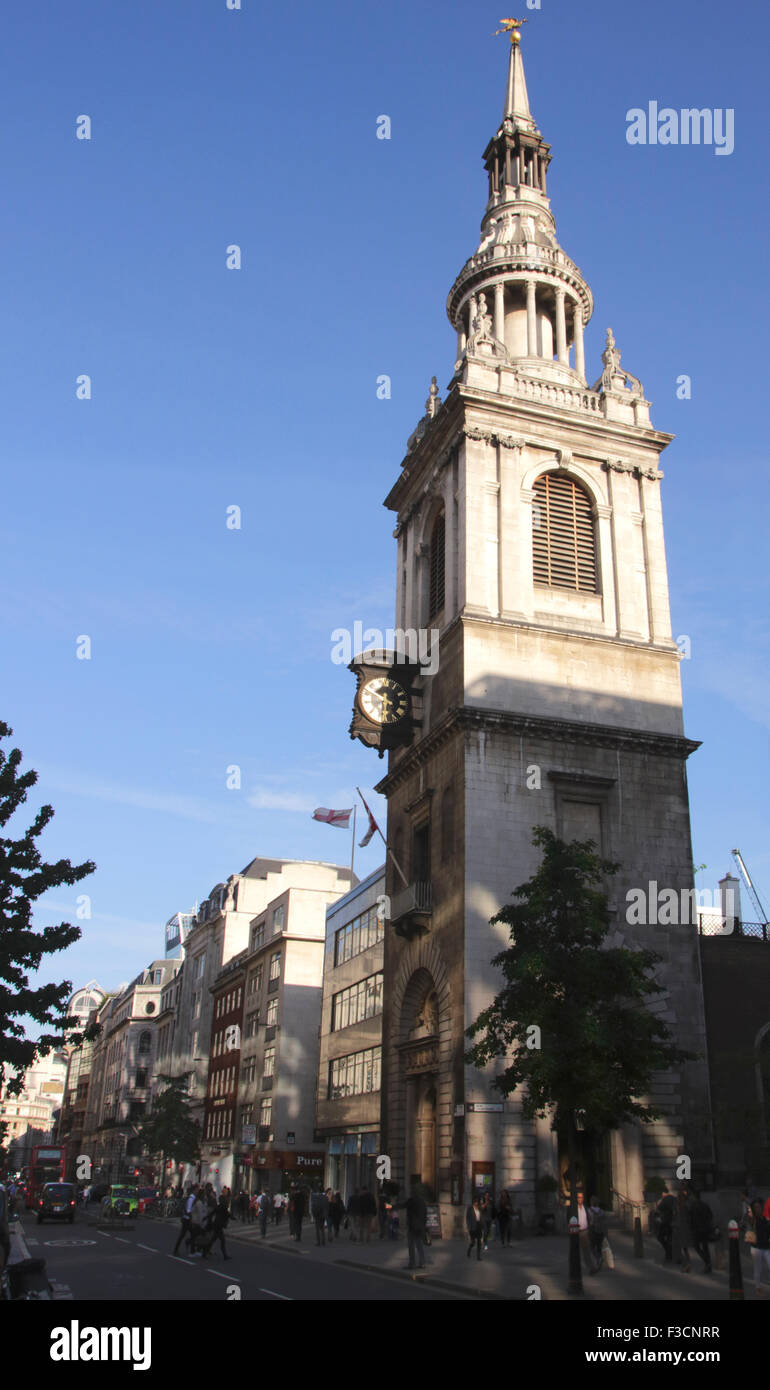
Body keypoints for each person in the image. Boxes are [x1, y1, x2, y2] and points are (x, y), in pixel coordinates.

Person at [747, 1199, 770, 1296]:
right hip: (756, 1248)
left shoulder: (765, 1219)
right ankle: (758, 1288)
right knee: (758, 1268)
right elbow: (749, 1214)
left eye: (759, 1207)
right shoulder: (753, 1219)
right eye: (756, 1207)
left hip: (766, 1247)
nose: (758, 1209)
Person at [688, 1190, 713, 1273]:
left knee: (696, 1246)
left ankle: (707, 1262)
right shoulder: (705, 1205)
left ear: (694, 1196)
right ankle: (708, 1264)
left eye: (691, 1196)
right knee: (705, 1247)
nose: (690, 1197)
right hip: (705, 1229)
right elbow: (710, 1216)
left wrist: (691, 1228)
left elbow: (691, 1219)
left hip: (697, 1230)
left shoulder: (693, 1206)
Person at [405, 1185, 427, 1270]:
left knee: (411, 1245)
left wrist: (390, 1206)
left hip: (412, 1226)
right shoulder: (422, 1201)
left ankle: (412, 1263)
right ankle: (422, 1263)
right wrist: (423, 1225)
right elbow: (425, 1214)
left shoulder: (411, 1201)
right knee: (419, 1245)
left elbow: (406, 1209)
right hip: (419, 1226)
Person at [575, 1191, 598, 1273]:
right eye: (578, 1197)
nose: (580, 1199)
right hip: (577, 1232)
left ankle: (591, 1267)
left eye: (581, 1197)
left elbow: (589, 1219)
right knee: (576, 1252)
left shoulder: (585, 1208)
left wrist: (590, 1228)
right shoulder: (574, 1208)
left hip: (585, 1231)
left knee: (586, 1251)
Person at [173, 1185, 198, 1256]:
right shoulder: (191, 1198)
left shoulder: (193, 1198)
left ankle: (191, 1249)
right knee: (184, 1235)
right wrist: (191, 1218)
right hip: (187, 1219)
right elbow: (188, 1210)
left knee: (192, 1234)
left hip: (187, 1219)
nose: (197, 1192)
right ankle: (177, 1250)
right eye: (196, 1190)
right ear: (193, 1191)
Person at [654, 1186, 677, 1264]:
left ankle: (669, 1253)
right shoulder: (674, 1198)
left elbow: (659, 1208)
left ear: (663, 1193)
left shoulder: (665, 1199)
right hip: (672, 1222)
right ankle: (670, 1253)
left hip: (666, 1222)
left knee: (660, 1237)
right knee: (670, 1238)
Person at [675, 1188, 694, 1273]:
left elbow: (681, 1217)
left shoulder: (683, 1206)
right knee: (684, 1247)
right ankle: (686, 1264)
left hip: (683, 1227)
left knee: (684, 1247)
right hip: (685, 1227)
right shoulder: (685, 1205)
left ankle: (687, 1264)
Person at [587, 1196, 607, 1272]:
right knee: (599, 1247)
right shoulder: (602, 1212)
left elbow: (587, 1221)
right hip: (600, 1231)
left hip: (592, 1230)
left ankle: (597, 1259)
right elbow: (604, 1223)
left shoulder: (589, 1211)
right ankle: (599, 1258)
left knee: (591, 1247)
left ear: (591, 1202)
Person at [466, 1195, 484, 1260]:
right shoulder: (470, 1208)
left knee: (479, 1241)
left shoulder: (479, 1208)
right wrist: (468, 1226)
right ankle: (469, 1249)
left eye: (477, 1202)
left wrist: (482, 1225)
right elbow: (467, 1218)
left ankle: (478, 1256)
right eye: (475, 1202)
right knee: (473, 1242)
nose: (476, 1203)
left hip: (479, 1225)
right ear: (473, 1202)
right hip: (473, 1226)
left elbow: (481, 1216)